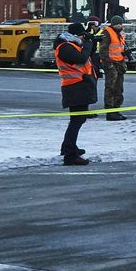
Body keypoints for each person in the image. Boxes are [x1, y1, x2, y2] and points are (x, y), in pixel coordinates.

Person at [54, 20, 99, 164]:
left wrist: (91, 43)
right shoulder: (65, 47)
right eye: (81, 36)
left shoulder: (72, 45)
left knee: (78, 119)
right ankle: (70, 155)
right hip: (74, 87)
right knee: (77, 120)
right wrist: (88, 44)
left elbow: (87, 56)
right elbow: (80, 58)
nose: (82, 38)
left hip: (80, 86)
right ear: (74, 35)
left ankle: (69, 146)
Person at [99, 14, 129, 121]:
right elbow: (103, 51)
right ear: (113, 24)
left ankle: (116, 110)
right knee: (110, 88)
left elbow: (119, 49)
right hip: (111, 64)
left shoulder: (120, 34)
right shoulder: (107, 33)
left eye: (121, 24)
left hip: (119, 63)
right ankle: (110, 111)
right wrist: (108, 65)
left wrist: (125, 53)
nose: (119, 26)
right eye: (117, 24)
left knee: (119, 88)